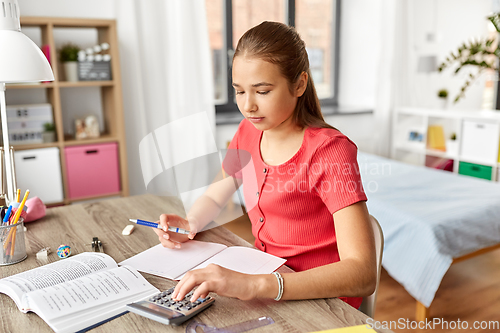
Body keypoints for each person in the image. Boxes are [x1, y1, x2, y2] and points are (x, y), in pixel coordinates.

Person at [153, 21, 376, 309]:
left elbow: (362, 272)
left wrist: (254, 284)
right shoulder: (247, 133)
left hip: (323, 302)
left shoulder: (330, 151)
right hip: (267, 280)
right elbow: (215, 193)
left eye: (262, 91)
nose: (248, 107)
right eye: (239, 91)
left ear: (299, 84)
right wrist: (190, 223)